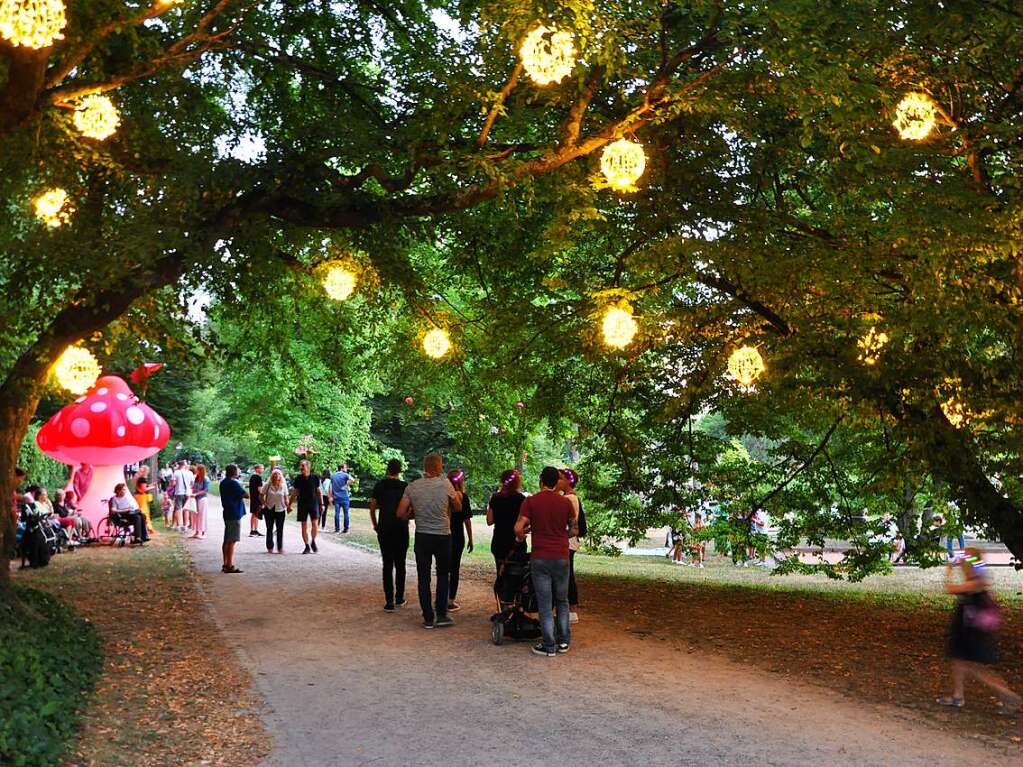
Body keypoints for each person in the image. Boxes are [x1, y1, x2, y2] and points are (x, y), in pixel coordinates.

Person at [937, 548, 1020, 713]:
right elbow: (976, 566)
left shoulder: (976, 582)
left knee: (975, 668)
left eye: (964, 559)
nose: (960, 561)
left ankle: (1008, 695)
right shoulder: (979, 576)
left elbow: (950, 588)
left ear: (969, 563)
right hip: (967, 629)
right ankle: (958, 696)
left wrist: (949, 570)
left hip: (972, 632)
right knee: (959, 661)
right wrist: (966, 560)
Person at [514, 466, 577, 657]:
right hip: (562, 556)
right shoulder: (566, 503)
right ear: (557, 482)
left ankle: (548, 645)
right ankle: (564, 641)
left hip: (540, 557)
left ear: (541, 481)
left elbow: (518, 527)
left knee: (545, 602)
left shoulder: (531, 501)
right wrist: (562, 535)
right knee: (562, 600)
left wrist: (522, 535)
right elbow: (574, 530)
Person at [397, 453, 462, 628]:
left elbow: (400, 513)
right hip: (443, 535)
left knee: (423, 577)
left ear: (426, 467)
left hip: (422, 536)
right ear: (438, 467)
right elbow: (458, 507)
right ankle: (441, 615)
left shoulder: (412, 487)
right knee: (442, 575)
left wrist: (414, 514)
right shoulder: (446, 484)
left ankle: (427, 617)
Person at [369, 459, 409, 610]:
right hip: (400, 528)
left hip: (384, 527)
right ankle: (399, 597)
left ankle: (389, 601)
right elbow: (409, 509)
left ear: (387, 469)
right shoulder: (405, 487)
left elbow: (372, 507)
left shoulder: (380, 485)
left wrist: (375, 525)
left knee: (387, 564)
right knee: (400, 563)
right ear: (399, 471)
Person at [486, 469, 527, 570]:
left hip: (499, 541)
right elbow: (525, 523)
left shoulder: (495, 498)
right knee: (515, 576)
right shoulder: (521, 499)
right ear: (517, 482)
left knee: (501, 575)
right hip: (515, 543)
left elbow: (489, 521)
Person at [559, 468, 586, 623]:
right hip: (567, 541)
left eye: (561, 478)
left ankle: (572, 609)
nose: (559, 481)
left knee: (567, 575)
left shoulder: (570, 499)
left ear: (568, 481)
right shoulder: (568, 497)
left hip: (568, 541)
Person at [445, 469, 474, 613]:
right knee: (454, 568)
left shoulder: (443, 495)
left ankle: (442, 597)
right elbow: (467, 520)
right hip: (457, 536)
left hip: (444, 535)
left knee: (443, 567)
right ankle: (450, 601)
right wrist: (470, 538)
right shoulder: (464, 497)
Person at [219, 464, 248, 573]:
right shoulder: (233, 483)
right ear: (234, 472)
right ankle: (229, 565)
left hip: (227, 512)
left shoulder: (223, 482)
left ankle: (225, 563)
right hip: (234, 513)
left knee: (227, 539)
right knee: (231, 540)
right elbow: (245, 495)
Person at [290, 460, 322, 555]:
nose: (301, 467)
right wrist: (289, 504)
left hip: (313, 503)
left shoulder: (315, 477)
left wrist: (322, 504)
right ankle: (307, 546)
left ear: (308, 467)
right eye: (300, 466)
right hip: (302, 504)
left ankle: (313, 541)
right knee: (303, 526)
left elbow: (318, 491)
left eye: (303, 466)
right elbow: (295, 492)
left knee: (315, 524)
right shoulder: (298, 478)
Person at [261, 469, 289, 554]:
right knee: (269, 528)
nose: (277, 476)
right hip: (269, 509)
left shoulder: (284, 486)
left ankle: (280, 548)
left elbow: (286, 497)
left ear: (281, 476)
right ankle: (270, 547)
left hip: (280, 509)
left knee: (280, 529)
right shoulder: (267, 485)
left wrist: (287, 505)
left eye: (278, 474)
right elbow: (261, 495)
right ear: (272, 476)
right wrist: (265, 504)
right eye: (275, 474)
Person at [170, 460, 195, 532]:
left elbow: (173, 484)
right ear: (184, 465)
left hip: (179, 492)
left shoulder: (176, 472)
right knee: (186, 509)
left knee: (178, 509)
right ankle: (185, 526)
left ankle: (178, 525)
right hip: (187, 493)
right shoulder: (190, 473)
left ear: (179, 465)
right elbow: (192, 484)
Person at [330, 463, 352, 533]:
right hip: (345, 497)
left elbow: (330, 487)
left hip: (336, 497)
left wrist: (331, 496)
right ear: (342, 468)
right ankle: (346, 529)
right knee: (346, 513)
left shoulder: (333, 476)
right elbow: (353, 480)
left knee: (337, 513)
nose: (346, 469)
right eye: (345, 468)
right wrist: (346, 486)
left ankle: (337, 528)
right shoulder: (345, 474)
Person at [133, 466, 154, 535]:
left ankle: (146, 528)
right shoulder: (142, 479)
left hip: (138, 496)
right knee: (144, 512)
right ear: (145, 471)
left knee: (141, 511)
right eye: (148, 471)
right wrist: (152, 487)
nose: (148, 472)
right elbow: (143, 489)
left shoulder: (138, 478)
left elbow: (141, 487)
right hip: (141, 497)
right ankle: (148, 528)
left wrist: (149, 485)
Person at [190, 465, 210, 538]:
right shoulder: (196, 478)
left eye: (197, 470)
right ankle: (197, 531)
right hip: (196, 499)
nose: (196, 471)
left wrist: (196, 494)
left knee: (202, 515)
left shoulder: (205, 479)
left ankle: (204, 532)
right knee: (196, 515)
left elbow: (206, 490)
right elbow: (194, 487)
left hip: (202, 499)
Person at [248, 465, 264, 537]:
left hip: (253, 497)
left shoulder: (252, 477)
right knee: (256, 514)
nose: (262, 470)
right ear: (257, 469)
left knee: (254, 514)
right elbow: (259, 489)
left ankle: (254, 529)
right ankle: (253, 530)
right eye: (262, 468)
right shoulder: (258, 477)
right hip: (257, 498)